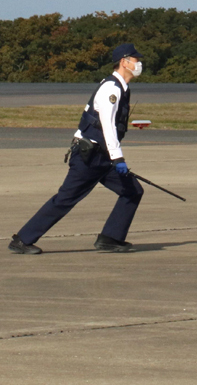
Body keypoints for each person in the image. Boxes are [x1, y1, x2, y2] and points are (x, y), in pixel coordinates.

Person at [8, 43, 145, 255]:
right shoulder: (111, 89)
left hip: (103, 157)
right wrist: (119, 160)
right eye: (135, 60)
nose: (139, 64)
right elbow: (107, 127)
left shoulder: (120, 88)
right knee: (65, 199)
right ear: (123, 62)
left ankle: (111, 238)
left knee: (133, 190)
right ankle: (22, 240)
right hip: (89, 157)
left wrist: (114, 159)